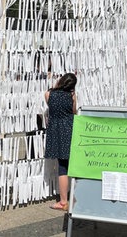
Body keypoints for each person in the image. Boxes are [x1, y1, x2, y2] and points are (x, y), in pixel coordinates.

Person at [44, 72, 77, 211]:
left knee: (62, 166)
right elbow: (74, 112)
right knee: (73, 164)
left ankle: (63, 201)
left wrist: (56, 84)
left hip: (55, 131)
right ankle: (76, 197)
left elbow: (50, 105)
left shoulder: (48, 94)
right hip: (69, 129)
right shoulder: (72, 95)